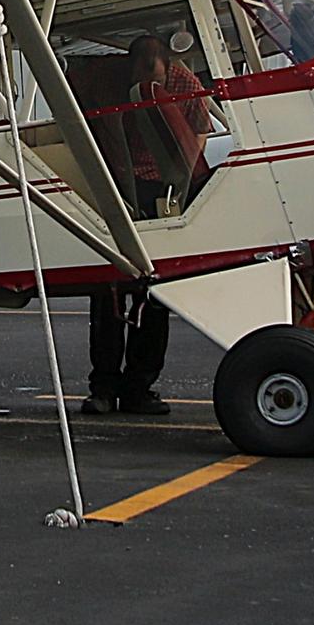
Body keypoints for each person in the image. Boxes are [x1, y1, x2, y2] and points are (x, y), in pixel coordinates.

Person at [83, 34, 213, 416]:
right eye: (139, 79)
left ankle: (140, 386)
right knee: (108, 291)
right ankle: (103, 387)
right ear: (130, 66)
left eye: (153, 81)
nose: (145, 88)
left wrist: (182, 178)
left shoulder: (186, 84)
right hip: (117, 184)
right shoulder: (106, 80)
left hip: (165, 184)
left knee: (156, 292)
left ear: (167, 69)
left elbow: (200, 132)